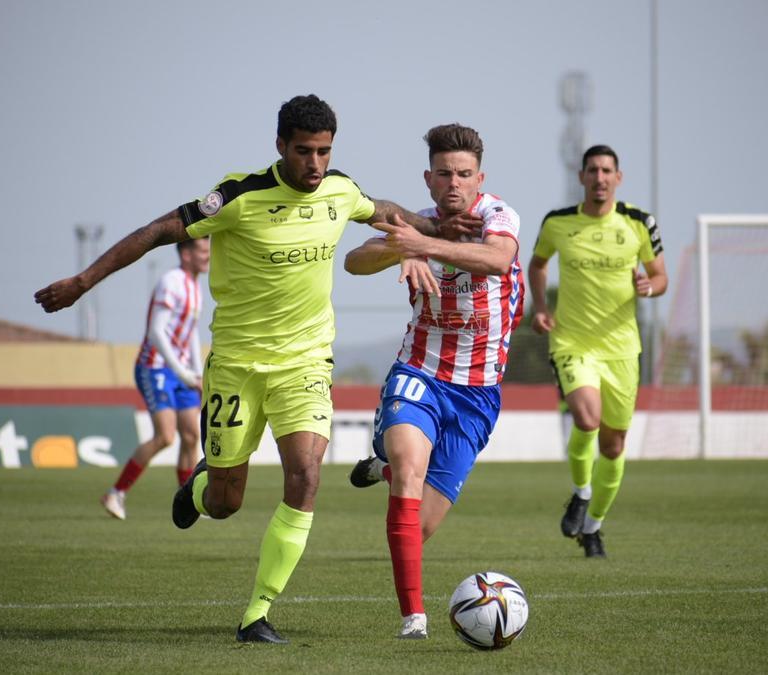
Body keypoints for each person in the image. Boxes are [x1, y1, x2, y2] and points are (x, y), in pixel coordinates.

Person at [33, 94, 476, 645]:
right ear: (280, 147)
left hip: (307, 363)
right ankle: (199, 490)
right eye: (303, 152)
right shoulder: (238, 196)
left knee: (306, 475)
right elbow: (154, 232)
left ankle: (257, 614)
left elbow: (383, 209)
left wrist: (433, 229)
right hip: (237, 368)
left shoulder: (339, 190)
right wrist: (82, 282)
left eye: (324, 152)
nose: (315, 165)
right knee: (226, 501)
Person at [344, 123, 523, 639]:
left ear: (479, 178)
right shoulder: (414, 224)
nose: (454, 183)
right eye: (444, 173)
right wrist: (406, 247)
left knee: (418, 528)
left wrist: (428, 246)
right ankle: (414, 619)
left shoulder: (499, 216)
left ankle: (378, 469)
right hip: (419, 373)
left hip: (477, 393)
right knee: (409, 471)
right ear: (428, 178)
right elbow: (355, 262)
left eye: (464, 174)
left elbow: (497, 259)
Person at [527, 144, 667, 558]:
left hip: (622, 349)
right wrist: (540, 307)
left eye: (607, 170)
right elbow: (537, 264)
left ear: (618, 178)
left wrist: (648, 286)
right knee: (586, 418)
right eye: (593, 170)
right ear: (582, 177)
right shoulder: (557, 222)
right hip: (572, 342)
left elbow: (660, 276)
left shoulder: (639, 223)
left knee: (614, 446)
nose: (600, 178)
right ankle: (580, 493)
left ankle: (593, 527)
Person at [101, 237, 210, 521]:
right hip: (155, 367)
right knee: (165, 436)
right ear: (185, 255)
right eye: (202, 250)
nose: (208, 254)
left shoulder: (196, 288)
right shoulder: (171, 282)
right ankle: (116, 493)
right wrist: (183, 372)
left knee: (191, 436)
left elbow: (190, 334)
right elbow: (156, 332)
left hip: (181, 371)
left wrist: (196, 372)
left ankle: (187, 502)